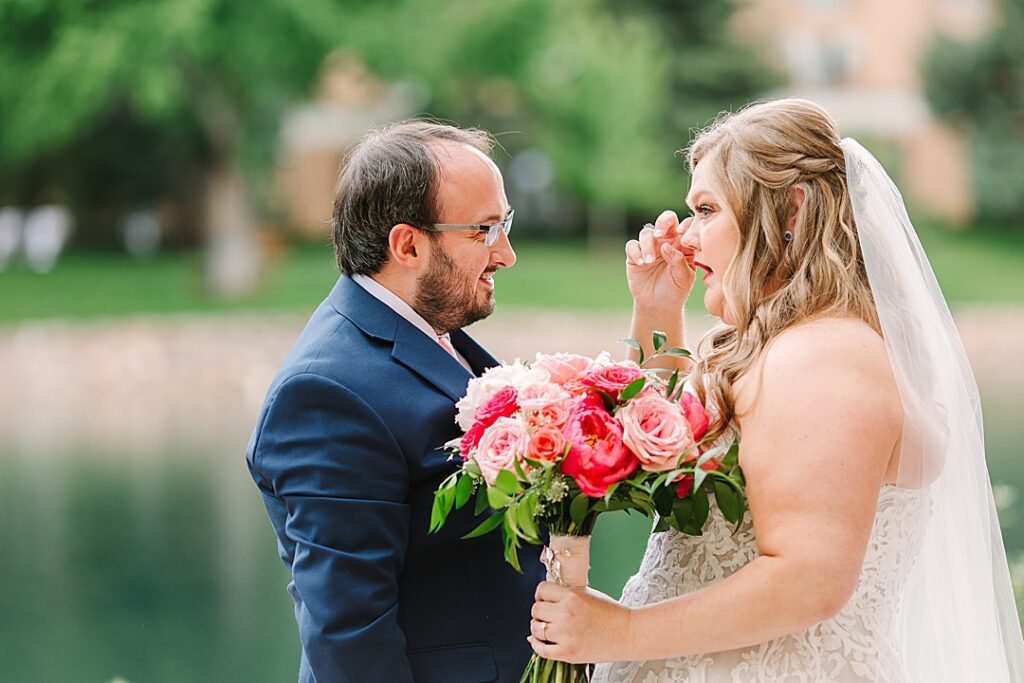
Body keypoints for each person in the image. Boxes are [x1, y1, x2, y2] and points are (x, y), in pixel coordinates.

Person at [528, 99, 1024, 682]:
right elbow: (662, 460)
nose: (686, 237)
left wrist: (624, 633)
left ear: (790, 209)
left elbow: (808, 578)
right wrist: (659, 308)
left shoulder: (822, 357)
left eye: (707, 209)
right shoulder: (796, 345)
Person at [246, 120, 544, 683]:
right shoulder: (325, 395)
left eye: (504, 223)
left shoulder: (432, 330)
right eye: (483, 230)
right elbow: (349, 638)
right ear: (408, 244)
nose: (506, 253)